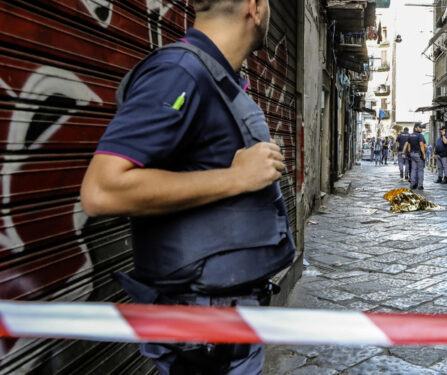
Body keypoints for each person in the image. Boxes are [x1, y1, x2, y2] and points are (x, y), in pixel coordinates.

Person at [80, 0, 295, 373]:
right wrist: (236, 177)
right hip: (203, 332)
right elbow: (102, 191)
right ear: (256, 7)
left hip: (221, 325)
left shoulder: (212, 77)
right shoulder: (179, 73)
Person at [404, 123, 426, 190]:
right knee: (420, 170)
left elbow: (409, 146)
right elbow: (422, 145)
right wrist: (424, 154)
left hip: (412, 154)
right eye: (420, 127)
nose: (421, 129)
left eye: (421, 128)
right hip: (418, 154)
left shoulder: (410, 135)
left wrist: (409, 153)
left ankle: (413, 184)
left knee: (413, 169)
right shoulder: (420, 136)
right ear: (416, 128)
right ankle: (420, 185)